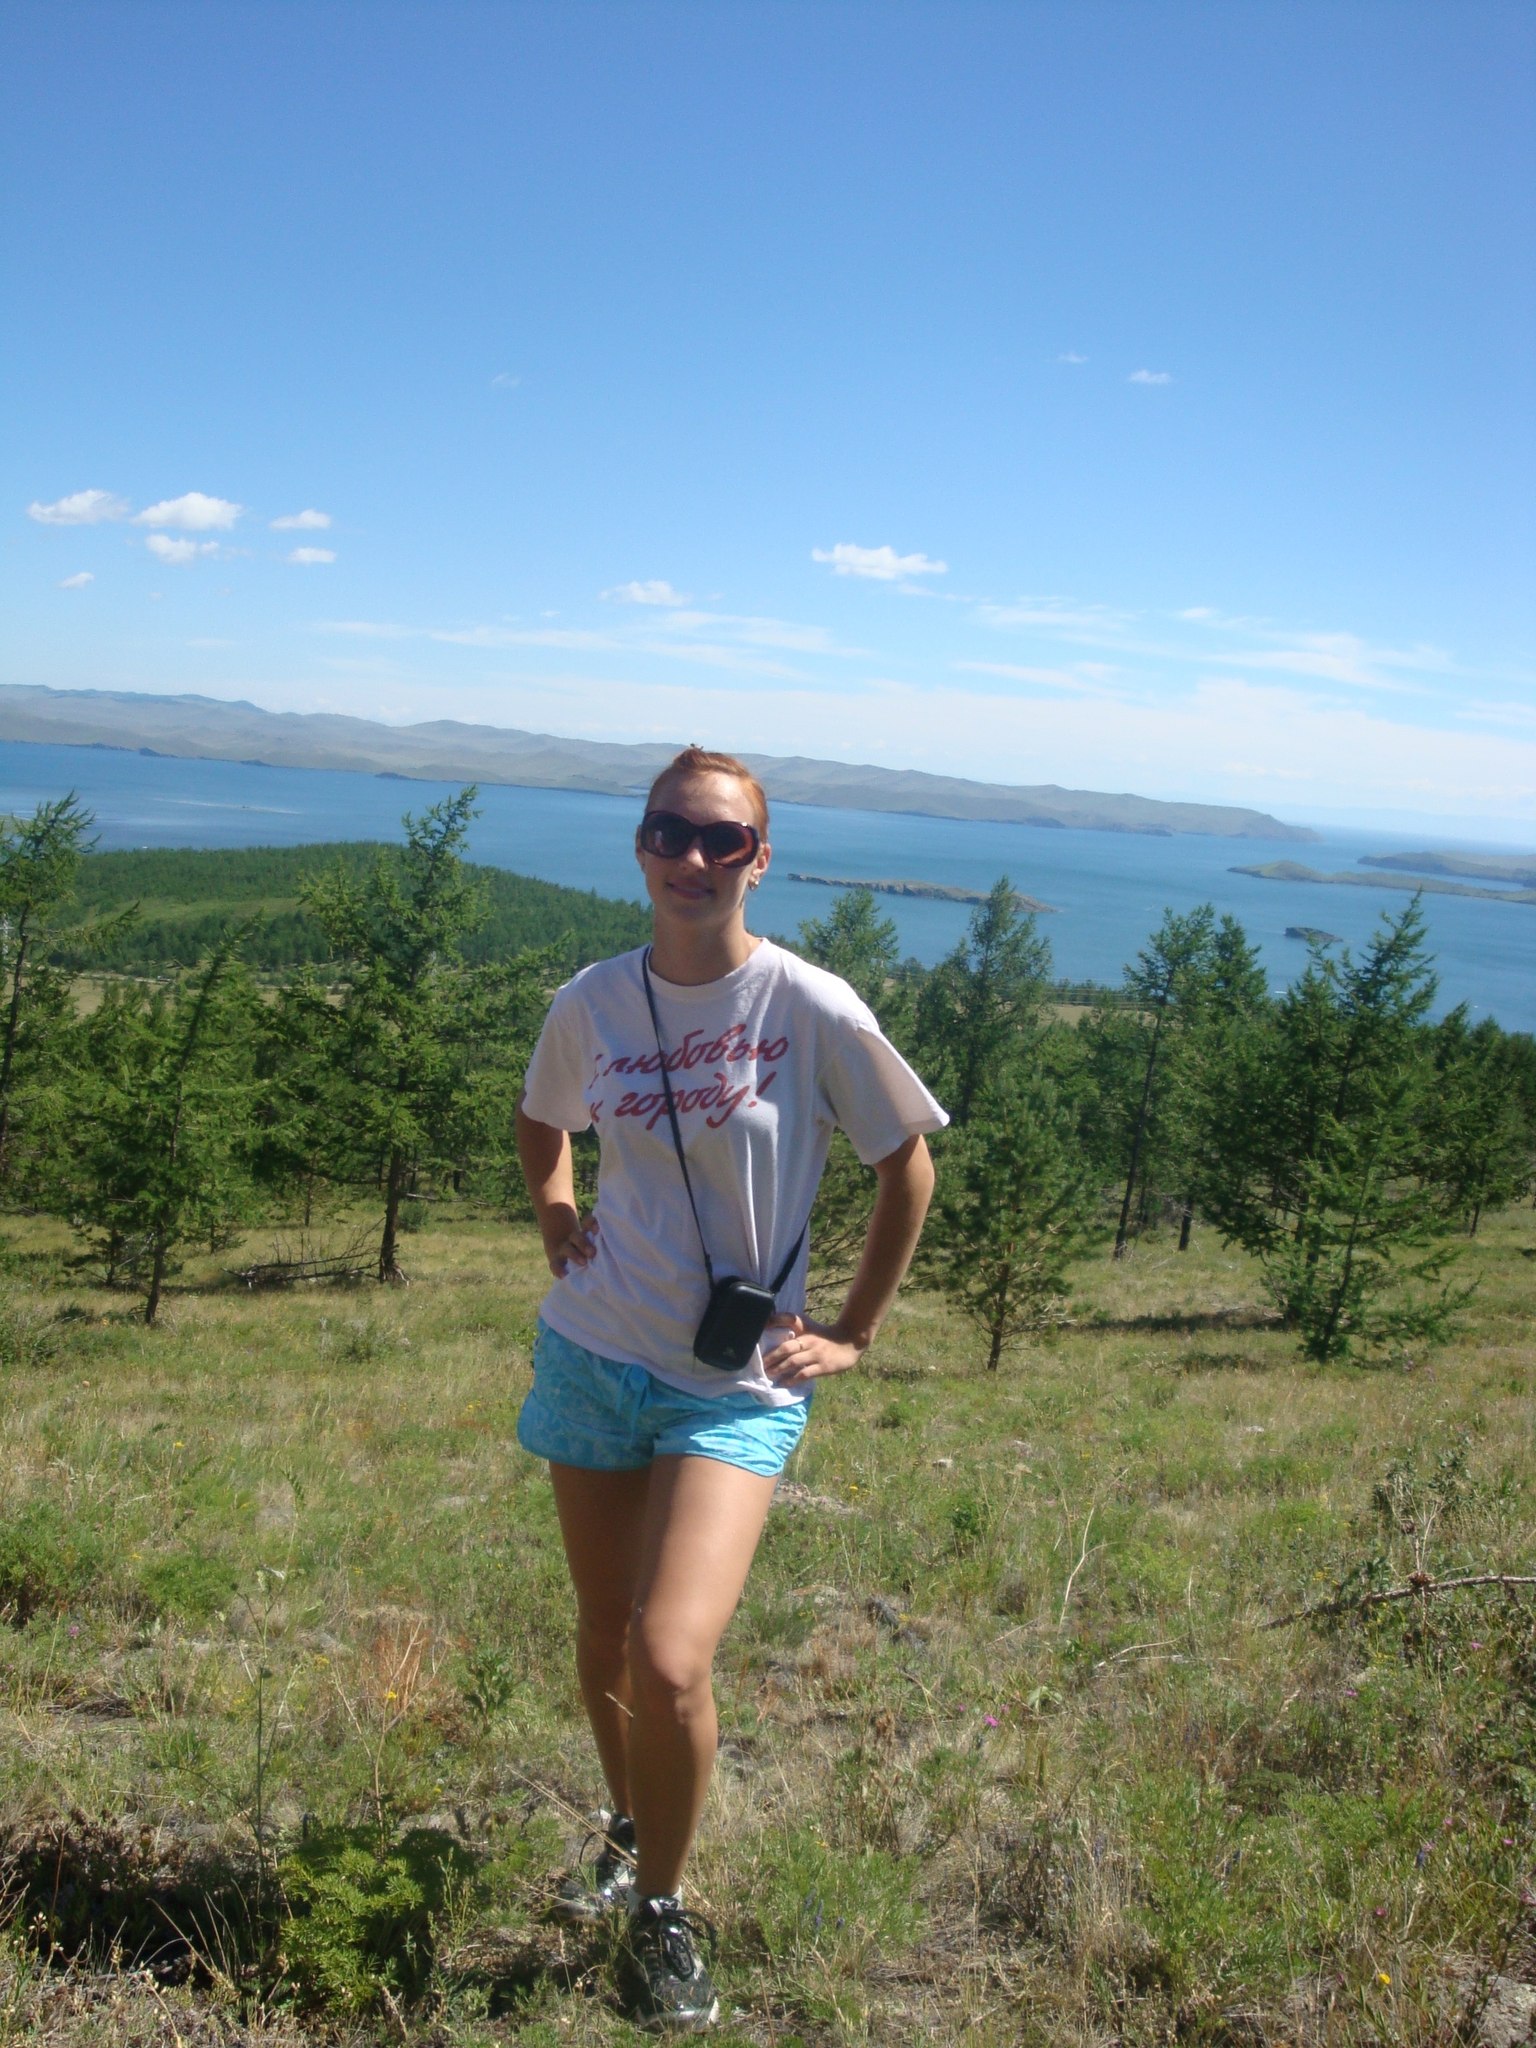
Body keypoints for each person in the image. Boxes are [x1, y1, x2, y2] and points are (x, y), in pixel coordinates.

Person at [514, 746, 945, 2030]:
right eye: (669, 832)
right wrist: (557, 1213)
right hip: (595, 1349)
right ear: (640, 846)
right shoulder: (593, 999)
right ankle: (626, 1822)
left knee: (668, 1653)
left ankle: (661, 1904)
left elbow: (906, 1165)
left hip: (733, 1381)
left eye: (721, 839)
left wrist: (854, 1329)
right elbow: (543, 1118)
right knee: (604, 1628)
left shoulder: (807, 1005)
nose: (691, 858)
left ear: (760, 857)